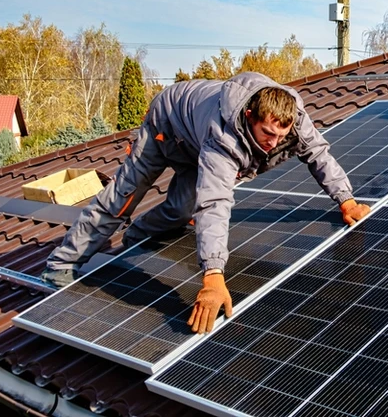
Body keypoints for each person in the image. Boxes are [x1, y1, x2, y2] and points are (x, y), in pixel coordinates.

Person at [41, 72, 370, 334]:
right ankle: (62, 264)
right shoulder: (223, 135)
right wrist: (213, 275)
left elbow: (319, 155)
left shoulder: (292, 118)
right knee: (124, 196)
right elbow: (215, 202)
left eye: (281, 137)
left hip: (194, 138)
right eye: (267, 133)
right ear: (248, 115)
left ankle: (138, 236)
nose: (274, 143)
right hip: (167, 126)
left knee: (183, 209)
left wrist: (346, 200)